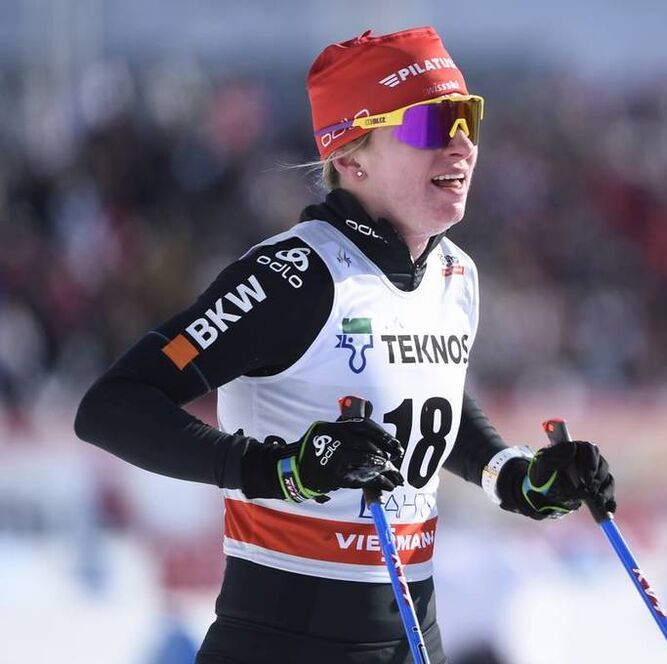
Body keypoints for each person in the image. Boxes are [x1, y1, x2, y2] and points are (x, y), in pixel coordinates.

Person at [75, 26, 616, 664]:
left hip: (415, 640)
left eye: (468, 117)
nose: (462, 143)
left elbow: (428, 400)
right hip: (282, 643)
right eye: (429, 125)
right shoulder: (295, 277)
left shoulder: (455, 276)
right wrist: (283, 470)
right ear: (353, 158)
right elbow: (110, 406)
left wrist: (514, 477)